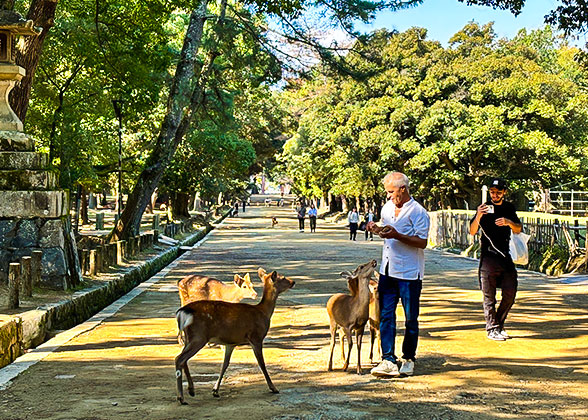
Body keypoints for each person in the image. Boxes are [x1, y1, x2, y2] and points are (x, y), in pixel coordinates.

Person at [367, 172, 430, 377]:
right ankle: (388, 358)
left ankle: (408, 357)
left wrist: (397, 235)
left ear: (403, 189)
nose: (389, 196)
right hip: (388, 270)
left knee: (411, 317)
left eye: (391, 191)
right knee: (385, 314)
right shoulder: (387, 208)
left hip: (410, 272)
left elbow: (422, 242)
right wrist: (376, 229)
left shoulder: (418, 212)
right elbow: (387, 230)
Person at [469, 178, 522, 341]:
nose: (495, 195)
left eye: (498, 192)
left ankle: (499, 324)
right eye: (492, 192)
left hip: (505, 255)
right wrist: (479, 214)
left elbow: (518, 229)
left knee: (510, 292)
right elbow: (472, 231)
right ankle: (492, 328)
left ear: (504, 192)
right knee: (489, 296)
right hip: (488, 257)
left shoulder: (509, 208)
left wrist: (508, 222)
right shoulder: (483, 208)